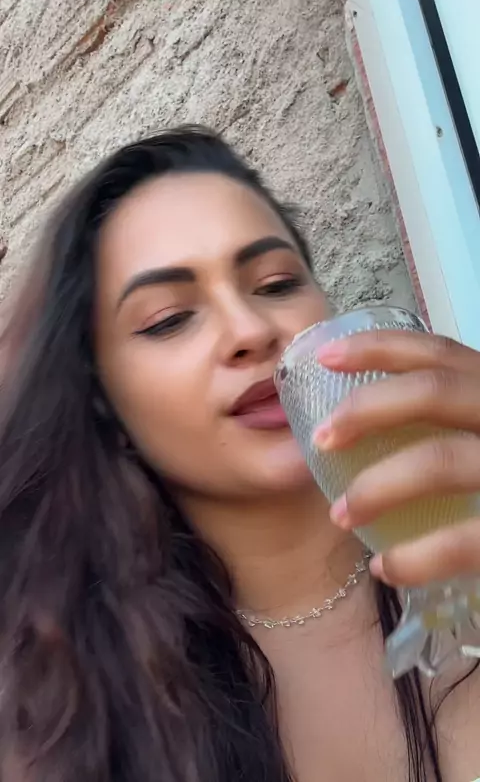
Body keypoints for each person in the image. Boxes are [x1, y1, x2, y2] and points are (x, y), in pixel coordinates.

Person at [0, 126, 479, 782]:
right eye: (168, 319)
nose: (251, 330)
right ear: (101, 401)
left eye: (276, 283)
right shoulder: (62, 721)